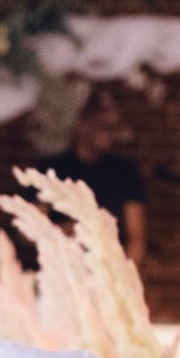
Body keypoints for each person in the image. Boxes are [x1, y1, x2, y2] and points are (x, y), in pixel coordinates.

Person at [41, 88, 148, 266]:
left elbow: (136, 238)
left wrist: (118, 275)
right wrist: (69, 230)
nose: (111, 134)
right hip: (61, 269)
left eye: (114, 127)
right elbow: (29, 230)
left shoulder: (125, 170)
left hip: (108, 269)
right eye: (104, 126)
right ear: (82, 123)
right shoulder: (52, 169)